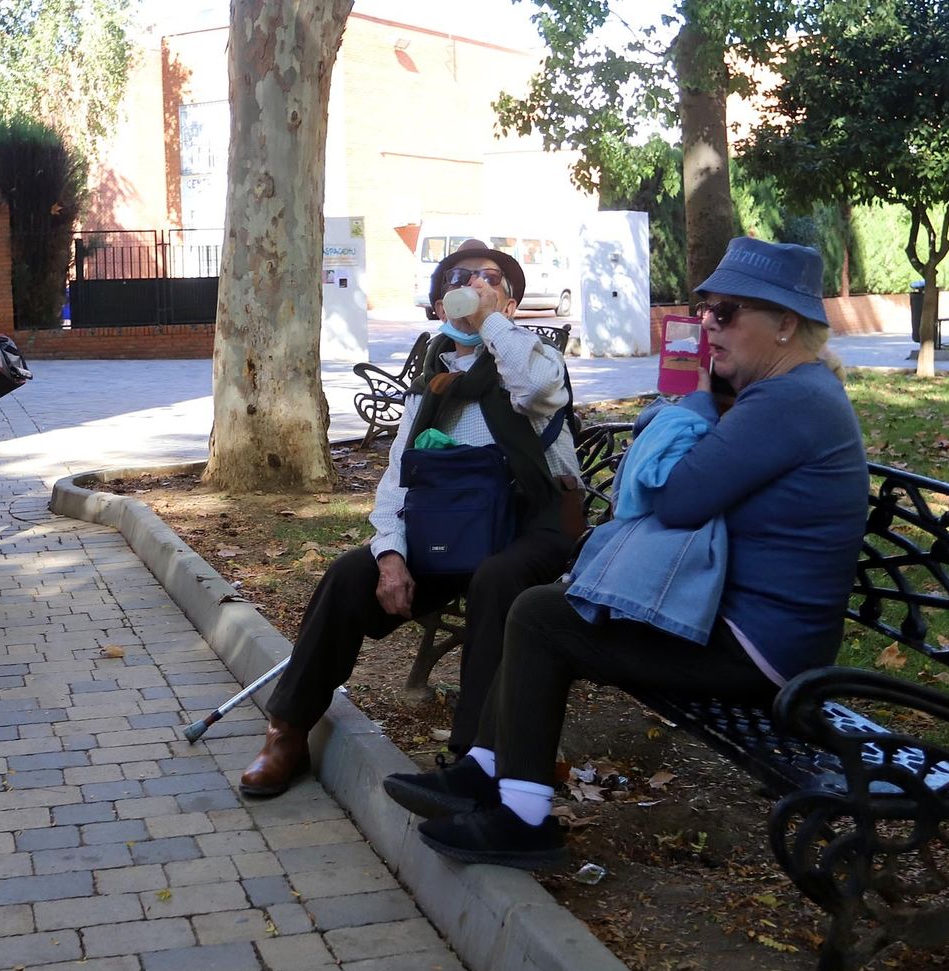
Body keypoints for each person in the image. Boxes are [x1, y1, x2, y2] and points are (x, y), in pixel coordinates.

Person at [384, 237, 870, 868]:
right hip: (734, 620)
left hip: (761, 652)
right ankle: (485, 770)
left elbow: (674, 496)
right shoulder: (785, 394)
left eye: (725, 314)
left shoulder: (791, 401)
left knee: (541, 618)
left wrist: (693, 399)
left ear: (783, 325)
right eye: (705, 311)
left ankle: (521, 817)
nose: (707, 326)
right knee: (548, 608)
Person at [238, 239, 581, 798]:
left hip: (527, 531)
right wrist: (392, 554)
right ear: (440, 302)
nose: (474, 285)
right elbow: (398, 478)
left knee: (497, 580)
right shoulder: (433, 379)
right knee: (352, 574)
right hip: (451, 532)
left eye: (491, 278)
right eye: (459, 278)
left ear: (512, 302)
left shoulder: (533, 359)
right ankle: (288, 731)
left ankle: (475, 761)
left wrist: (493, 323)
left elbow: (538, 389)